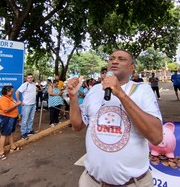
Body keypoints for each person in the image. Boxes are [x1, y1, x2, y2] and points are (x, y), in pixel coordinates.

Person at [66, 49, 163, 187]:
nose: (115, 61)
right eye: (111, 58)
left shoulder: (142, 90)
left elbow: (157, 137)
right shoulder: (94, 90)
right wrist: (73, 97)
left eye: (121, 59)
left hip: (133, 183)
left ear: (132, 67)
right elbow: (77, 126)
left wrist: (120, 94)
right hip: (91, 181)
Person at [0, 85, 22, 160]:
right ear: (7, 92)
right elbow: (6, 110)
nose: (12, 92)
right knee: (4, 134)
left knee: (11, 132)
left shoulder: (10, 98)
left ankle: (13, 147)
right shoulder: (3, 99)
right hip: (6, 118)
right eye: (11, 91)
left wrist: (17, 115)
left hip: (12, 117)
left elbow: (13, 106)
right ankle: (1, 152)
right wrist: (17, 104)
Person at [15, 73, 37, 140]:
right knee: (24, 119)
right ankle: (23, 133)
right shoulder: (24, 85)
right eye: (29, 78)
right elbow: (17, 92)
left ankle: (29, 130)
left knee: (31, 118)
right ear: (26, 79)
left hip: (33, 104)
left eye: (31, 77)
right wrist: (19, 100)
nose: (30, 79)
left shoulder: (33, 84)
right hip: (26, 105)